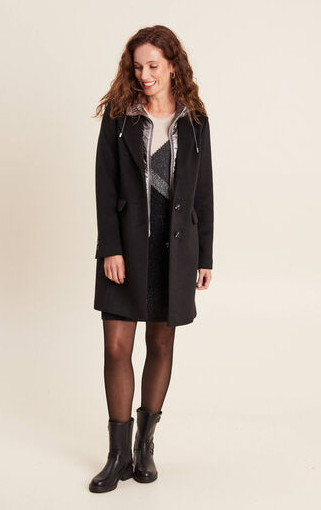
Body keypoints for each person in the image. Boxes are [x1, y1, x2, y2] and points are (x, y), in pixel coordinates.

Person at [89, 25, 214, 493]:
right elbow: (104, 186)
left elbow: (203, 191)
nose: (144, 74)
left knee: (161, 346)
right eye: (138, 66)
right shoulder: (120, 117)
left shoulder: (194, 120)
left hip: (175, 249)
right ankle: (117, 455)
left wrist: (205, 256)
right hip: (126, 248)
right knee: (116, 348)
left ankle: (144, 446)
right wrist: (111, 247)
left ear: (173, 66)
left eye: (153, 66)